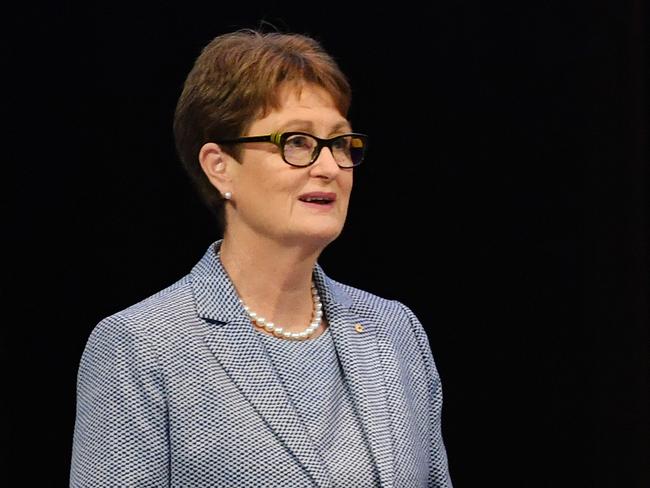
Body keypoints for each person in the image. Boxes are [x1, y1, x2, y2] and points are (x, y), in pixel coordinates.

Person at [70, 29, 453, 487]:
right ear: (220, 166)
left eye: (340, 142)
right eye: (296, 142)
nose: (329, 166)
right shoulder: (140, 346)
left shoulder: (395, 330)